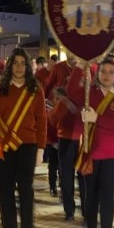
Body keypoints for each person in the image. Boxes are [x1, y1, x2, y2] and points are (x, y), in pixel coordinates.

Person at [67, 57, 114, 228]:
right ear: (97, 73)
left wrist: (97, 118)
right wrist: (79, 65)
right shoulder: (90, 93)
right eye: (103, 72)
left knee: (107, 198)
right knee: (90, 196)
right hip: (90, 151)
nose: (106, 76)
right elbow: (71, 92)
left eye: (111, 72)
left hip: (112, 153)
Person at [0, 48, 46, 228]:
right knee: (5, 191)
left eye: (23, 63)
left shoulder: (36, 90)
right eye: (15, 63)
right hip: (3, 147)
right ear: (9, 65)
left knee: (26, 192)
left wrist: (41, 148)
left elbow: (42, 121)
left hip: (27, 146)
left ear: (28, 66)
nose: (19, 67)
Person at [48, 86, 83, 221]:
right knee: (66, 176)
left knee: (84, 176)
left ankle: (86, 209)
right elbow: (53, 120)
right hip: (65, 140)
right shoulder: (62, 102)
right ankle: (69, 210)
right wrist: (62, 103)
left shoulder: (84, 97)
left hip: (81, 139)